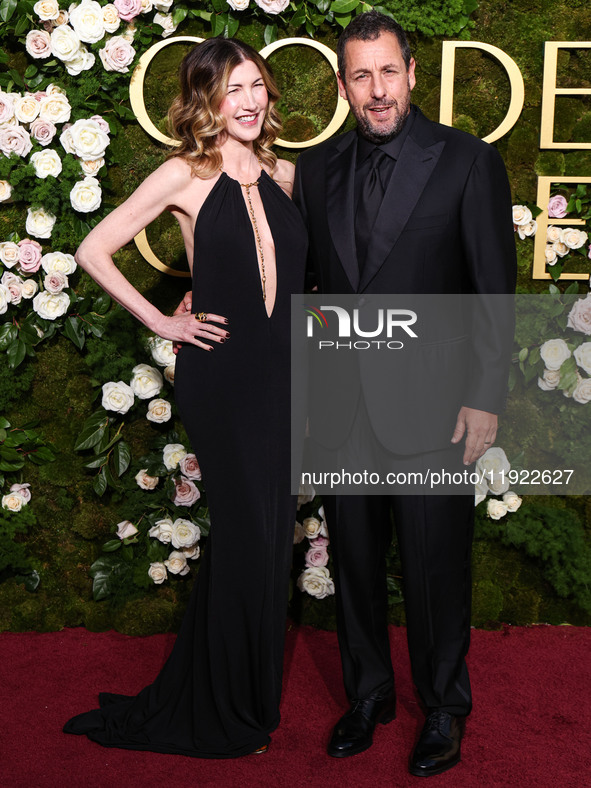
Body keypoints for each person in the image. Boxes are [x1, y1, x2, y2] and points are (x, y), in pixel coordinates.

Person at [63, 37, 306, 758]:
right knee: (244, 537)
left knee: (271, 542)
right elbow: (92, 249)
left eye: (257, 85)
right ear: (205, 99)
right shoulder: (182, 175)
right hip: (223, 379)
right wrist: (165, 321)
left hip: (287, 376)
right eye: (233, 89)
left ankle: (249, 697)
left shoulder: (288, 175)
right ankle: (219, 706)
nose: (250, 101)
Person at [294, 11, 516, 777]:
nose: (376, 90)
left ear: (412, 73)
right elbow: (305, 292)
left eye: (388, 71)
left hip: (435, 407)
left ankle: (443, 708)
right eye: (360, 75)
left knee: (433, 568)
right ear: (342, 85)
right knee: (352, 562)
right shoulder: (317, 171)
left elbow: (492, 291)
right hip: (343, 406)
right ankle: (368, 695)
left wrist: (484, 397)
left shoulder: (466, 161)